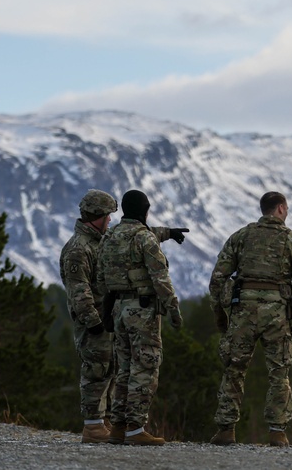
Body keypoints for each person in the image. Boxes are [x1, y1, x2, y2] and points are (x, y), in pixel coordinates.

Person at [208, 191, 292, 447]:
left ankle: (226, 429)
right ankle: (277, 432)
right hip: (276, 313)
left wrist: (221, 315)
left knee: (234, 369)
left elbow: (217, 279)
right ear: (280, 209)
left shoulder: (241, 237)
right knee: (279, 372)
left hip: (242, 310)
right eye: (286, 208)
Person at [88, 189, 185, 446]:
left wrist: (108, 307)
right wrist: (173, 310)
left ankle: (118, 427)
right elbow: (160, 279)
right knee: (146, 367)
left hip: (118, 309)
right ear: (145, 210)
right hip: (143, 311)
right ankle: (136, 429)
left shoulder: (110, 237)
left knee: (125, 369)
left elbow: (99, 278)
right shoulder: (144, 238)